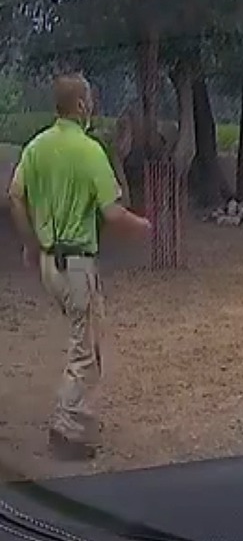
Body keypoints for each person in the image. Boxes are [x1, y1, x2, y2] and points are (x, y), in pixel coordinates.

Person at [6, 73, 151, 460]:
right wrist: (143, 226)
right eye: (91, 97)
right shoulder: (89, 151)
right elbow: (112, 212)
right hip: (76, 263)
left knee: (79, 338)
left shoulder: (36, 147)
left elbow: (15, 197)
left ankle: (75, 420)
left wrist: (30, 243)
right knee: (86, 349)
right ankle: (67, 426)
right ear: (82, 104)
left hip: (50, 262)